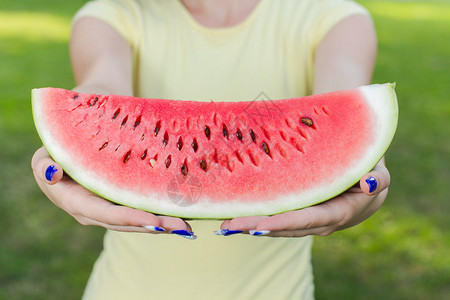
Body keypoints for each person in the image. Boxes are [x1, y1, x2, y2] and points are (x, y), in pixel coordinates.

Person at [31, 0, 390, 299]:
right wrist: (73, 135)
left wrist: (361, 173)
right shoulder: (112, 14)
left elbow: (343, 103)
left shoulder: (335, 17)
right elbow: (100, 87)